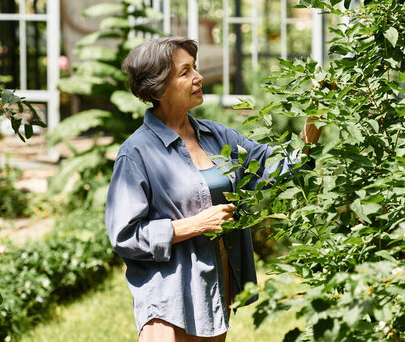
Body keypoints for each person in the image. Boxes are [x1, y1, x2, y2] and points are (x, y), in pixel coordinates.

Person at [105, 37, 322, 341]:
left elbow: (276, 164)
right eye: (185, 72)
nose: (199, 77)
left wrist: (316, 118)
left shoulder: (217, 136)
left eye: (195, 68)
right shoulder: (137, 153)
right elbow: (125, 236)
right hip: (169, 298)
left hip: (215, 285)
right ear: (158, 88)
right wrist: (196, 224)